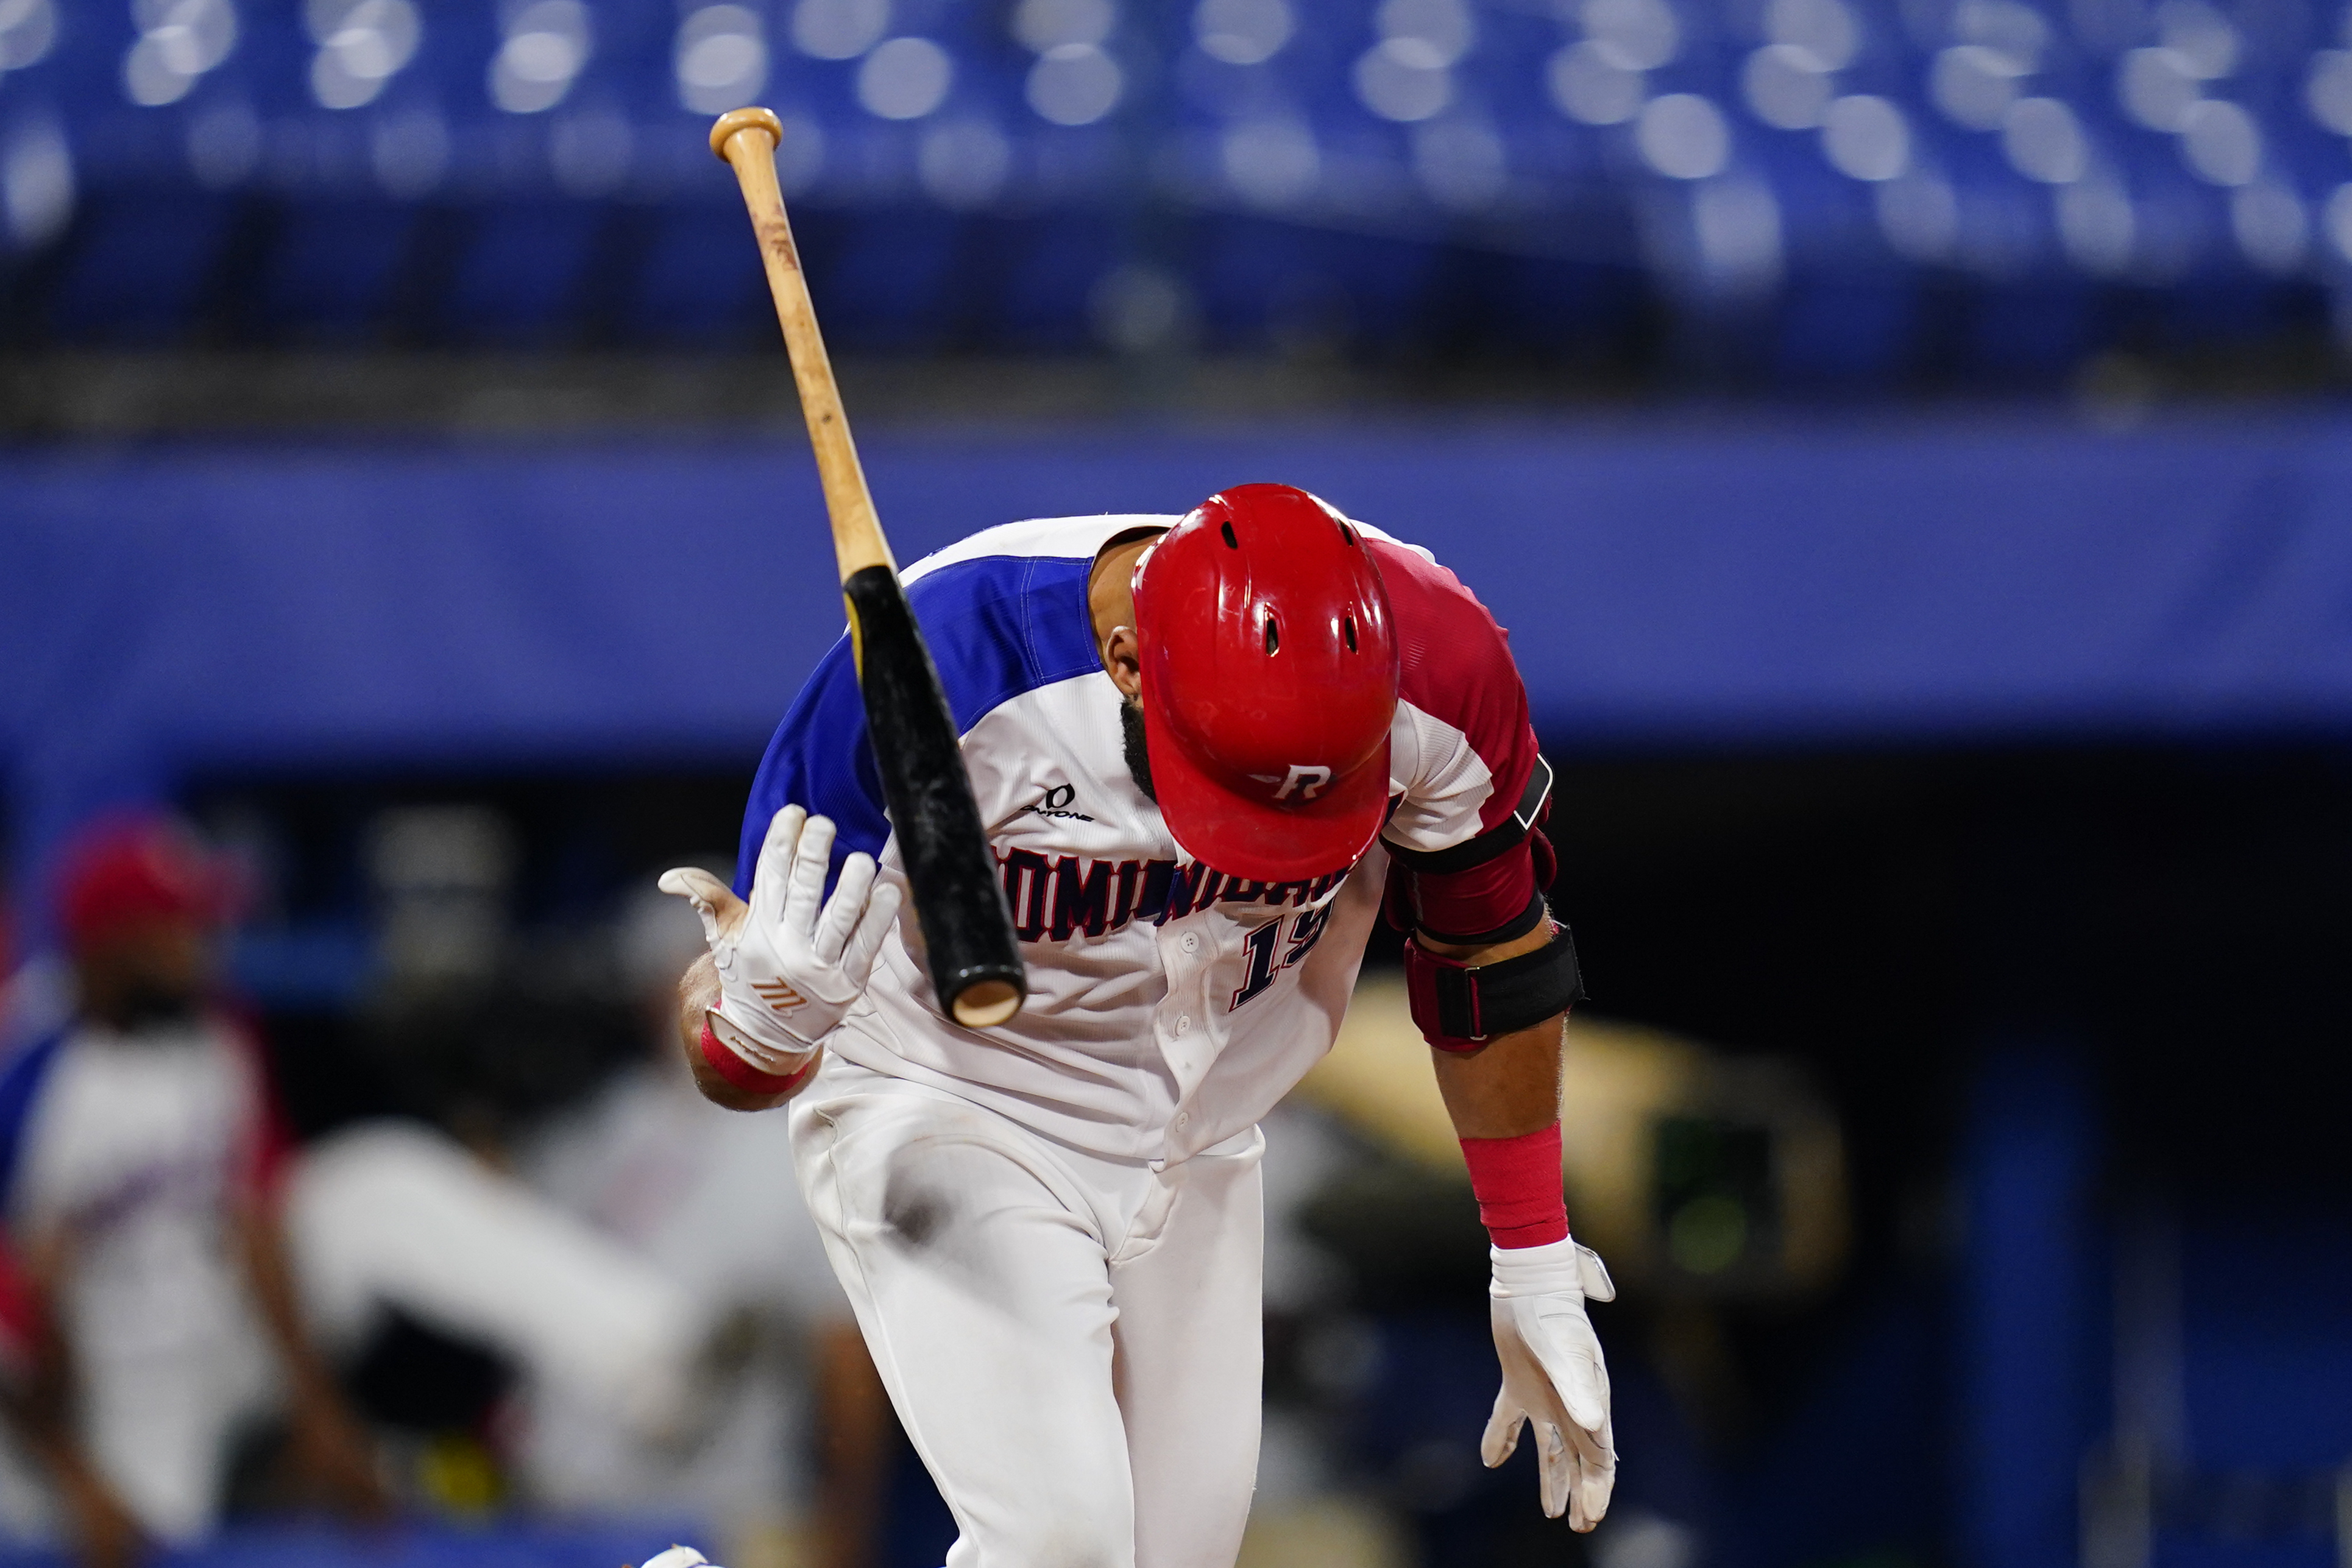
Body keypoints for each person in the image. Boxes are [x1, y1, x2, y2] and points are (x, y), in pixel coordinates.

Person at [659, 485, 1615, 1568]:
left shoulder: (1442, 668)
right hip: (953, 1094)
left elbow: (1487, 953)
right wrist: (763, 1030)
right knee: (1062, 1546)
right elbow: (724, 1033)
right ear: (1124, 657)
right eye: (1246, 798)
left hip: (1204, 1133)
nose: (1270, 853)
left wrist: (1531, 1250)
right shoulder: (952, 659)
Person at [0, 817, 387, 1565]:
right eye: (176, 928)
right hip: (105, 1372)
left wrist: (318, 1407)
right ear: (112, 944)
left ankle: (645, 1364)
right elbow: (19, 1313)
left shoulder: (220, 1033)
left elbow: (256, 1223)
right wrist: (77, 1475)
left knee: (381, 1186)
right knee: (144, 1535)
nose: (200, 946)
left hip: (218, 1331)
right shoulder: (33, 1071)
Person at [516, 882, 896, 1566]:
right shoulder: (588, 1127)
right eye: (668, 978)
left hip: (730, 1513)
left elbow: (843, 1354)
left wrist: (847, 1529)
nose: (685, 995)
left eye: (710, 972)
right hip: (570, 1507)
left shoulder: (796, 1136)